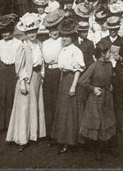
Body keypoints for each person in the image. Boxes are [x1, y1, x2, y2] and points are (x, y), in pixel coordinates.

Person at [6, 13, 46, 151]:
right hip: (26, 79)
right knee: (24, 108)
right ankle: (22, 139)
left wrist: (42, 75)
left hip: (37, 77)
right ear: (26, 33)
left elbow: (42, 63)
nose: (32, 34)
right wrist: (22, 82)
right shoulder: (23, 47)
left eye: (34, 31)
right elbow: (20, 66)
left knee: (35, 106)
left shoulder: (40, 44)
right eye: (29, 32)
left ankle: (33, 134)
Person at [78, 39, 117, 161]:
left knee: (107, 121)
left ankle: (105, 147)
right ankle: (97, 150)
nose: (110, 54)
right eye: (109, 52)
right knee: (98, 123)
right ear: (103, 53)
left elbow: (110, 77)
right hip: (96, 98)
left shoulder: (109, 65)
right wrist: (93, 88)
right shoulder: (94, 66)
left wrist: (110, 85)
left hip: (107, 97)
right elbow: (82, 81)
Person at [52, 18, 86, 154]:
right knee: (63, 111)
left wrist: (73, 86)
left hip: (72, 80)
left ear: (72, 37)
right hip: (64, 80)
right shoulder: (63, 49)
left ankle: (71, 141)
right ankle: (63, 139)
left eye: (67, 37)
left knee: (71, 112)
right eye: (63, 36)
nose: (64, 39)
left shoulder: (75, 50)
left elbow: (78, 69)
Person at [0, 14, 22, 130]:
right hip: (2, 73)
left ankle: (11, 124)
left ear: (11, 31)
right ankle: (0, 124)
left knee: (13, 96)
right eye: (2, 32)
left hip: (14, 72)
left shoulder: (18, 43)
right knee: (1, 97)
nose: (4, 34)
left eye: (7, 32)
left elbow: (21, 61)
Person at [40, 10, 64, 145]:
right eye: (51, 30)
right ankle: (50, 133)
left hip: (59, 73)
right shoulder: (45, 43)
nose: (54, 32)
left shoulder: (62, 41)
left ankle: (58, 134)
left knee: (57, 104)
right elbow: (43, 61)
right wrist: (43, 75)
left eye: (56, 29)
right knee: (48, 104)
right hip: (48, 74)